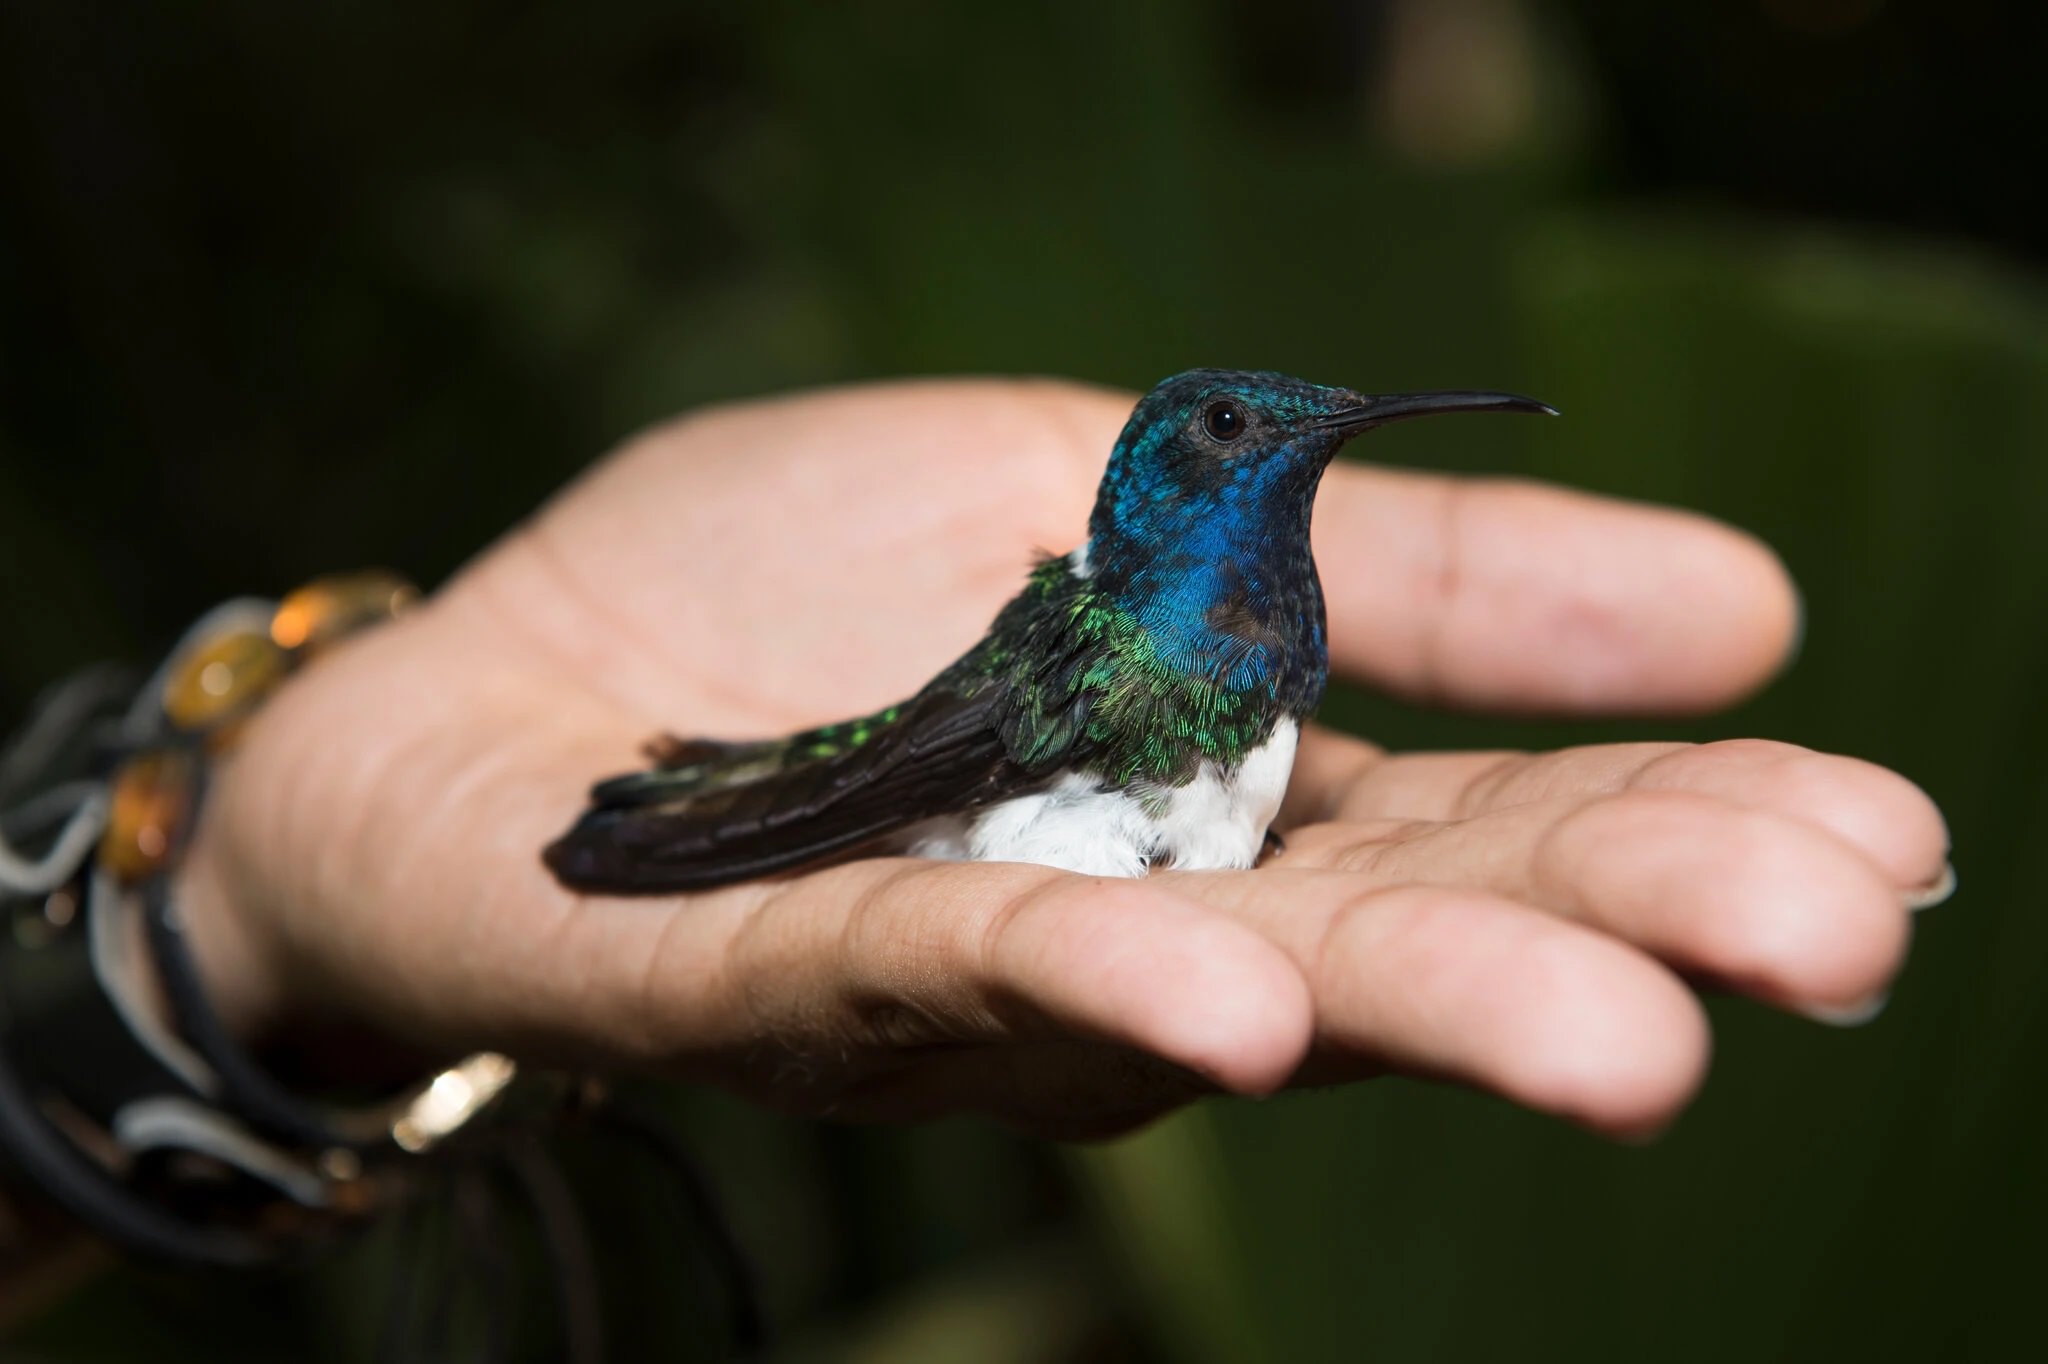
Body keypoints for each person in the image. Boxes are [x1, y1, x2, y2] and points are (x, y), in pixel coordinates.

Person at [164, 376, 1947, 1144]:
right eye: (1248, 427)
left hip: (1165, 797)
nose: (1293, 440)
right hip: (1004, 796)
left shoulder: (1263, 613)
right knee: (787, 791)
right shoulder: (1101, 639)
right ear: (1178, 471)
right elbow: (894, 774)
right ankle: (684, 796)